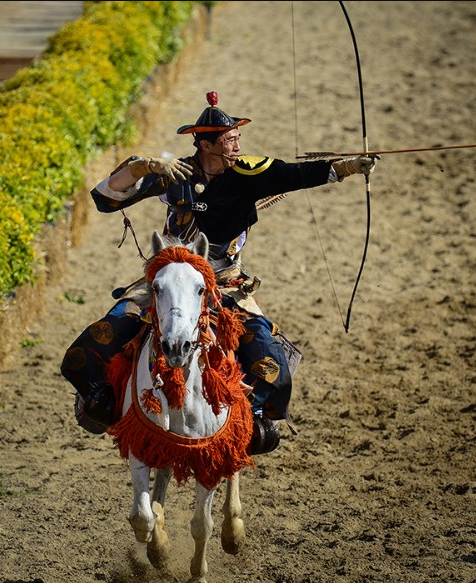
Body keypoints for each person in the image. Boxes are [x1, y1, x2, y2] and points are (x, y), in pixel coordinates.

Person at [61, 91, 378, 454]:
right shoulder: (176, 174)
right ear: (206, 145)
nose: (237, 146)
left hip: (225, 283)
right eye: (230, 140)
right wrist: (145, 166)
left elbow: (299, 173)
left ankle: (255, 417)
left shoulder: (248, 174)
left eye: (237, 138)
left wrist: (349, 166)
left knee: (269, 358)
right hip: (172, 280)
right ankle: (101, 401)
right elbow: (106, 197)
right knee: (105, 333)